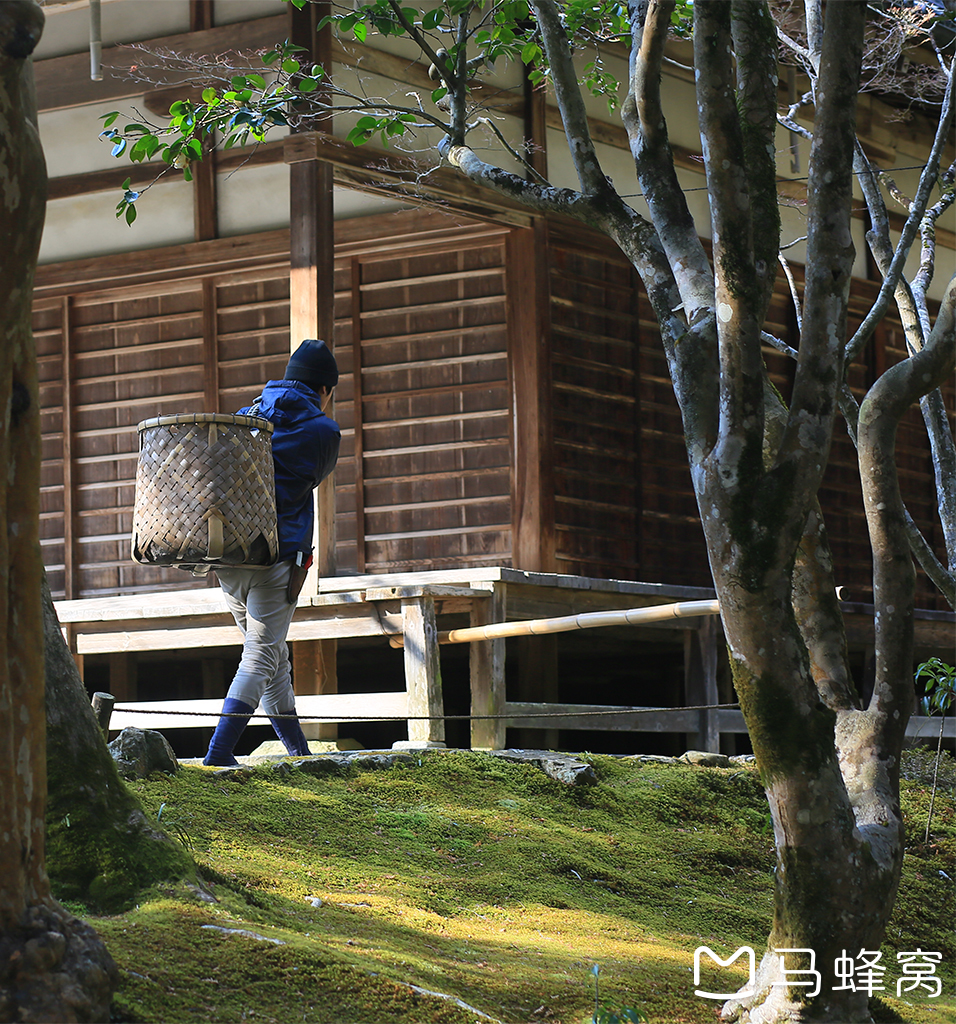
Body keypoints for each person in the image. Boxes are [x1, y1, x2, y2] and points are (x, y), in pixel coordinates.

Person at [203, 339, 341, 766]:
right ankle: (219, 753)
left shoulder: (247, 417)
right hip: (277, 560)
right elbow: (309, 479)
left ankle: (299, 752)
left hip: (229, 558)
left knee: (272, 654)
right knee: (261, 656)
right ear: (324, 389)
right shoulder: (324, 432)